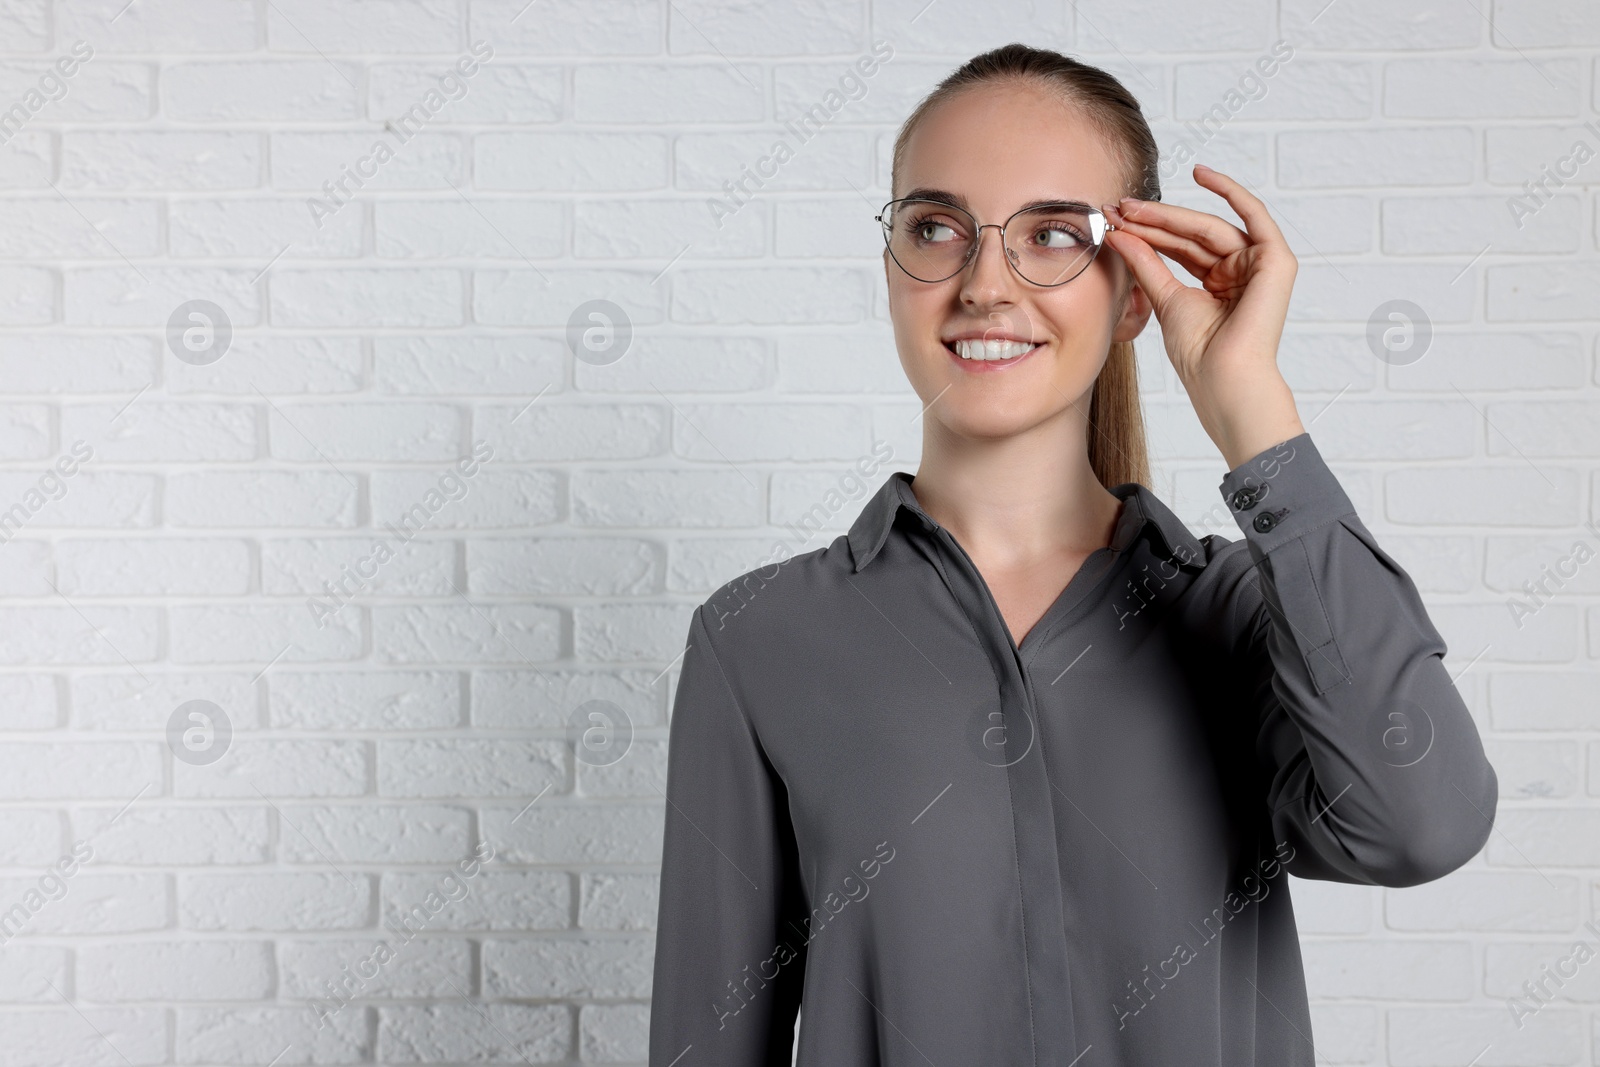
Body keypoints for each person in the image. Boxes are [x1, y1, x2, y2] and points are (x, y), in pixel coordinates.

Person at [647, 42, 1498, 1067]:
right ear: (890, 270)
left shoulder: (1239, 616)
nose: (983, 282)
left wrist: (1257, 423)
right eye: (936, 228)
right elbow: (706, 1037)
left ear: (1135, 290)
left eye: (1051, 234)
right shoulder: (762, 639)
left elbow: (1423, 824)